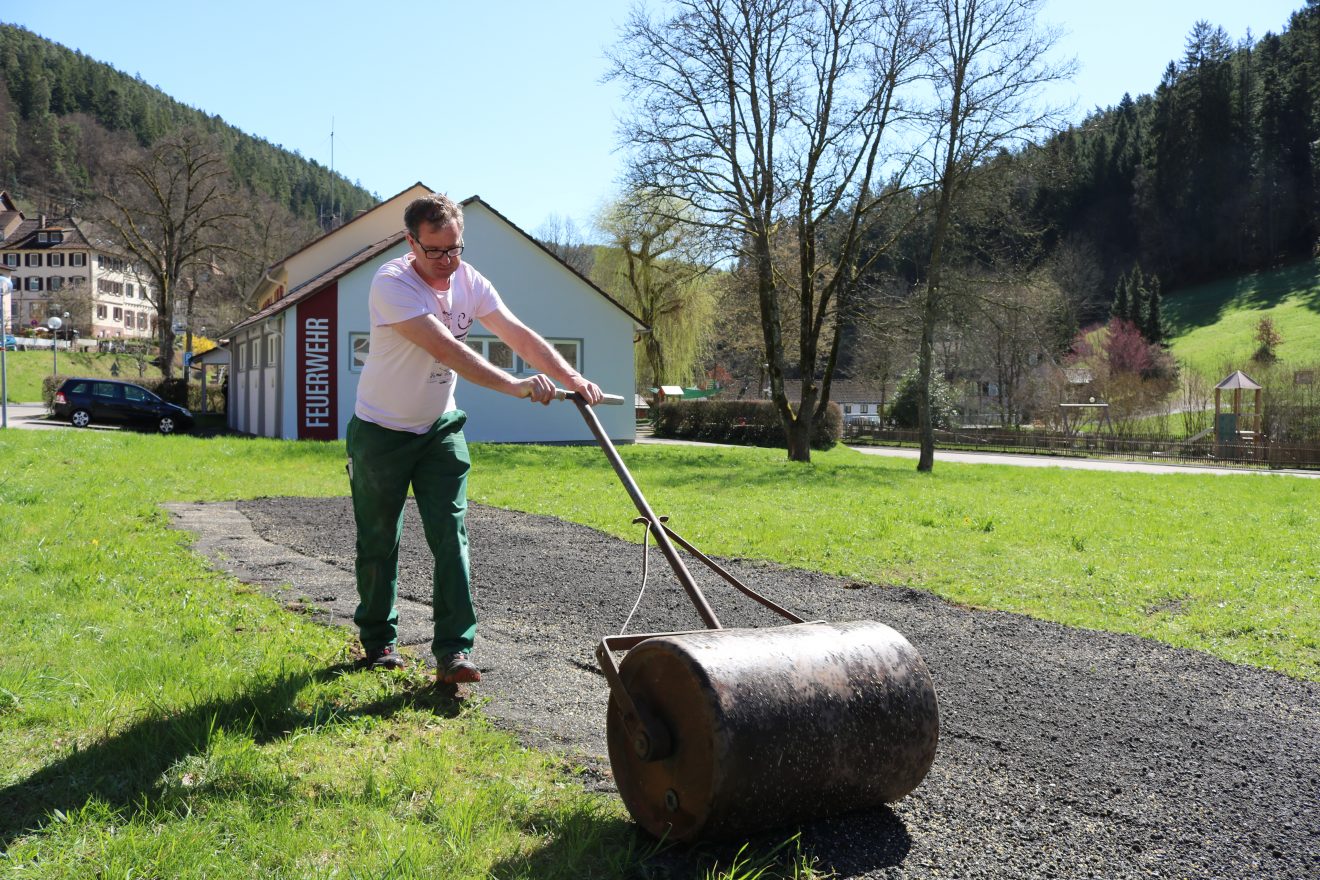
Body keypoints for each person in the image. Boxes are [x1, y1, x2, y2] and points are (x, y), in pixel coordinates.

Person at [348, 194, 603, 684]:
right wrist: (513, 385)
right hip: (381, 431)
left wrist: (570, 376)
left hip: (439, 429)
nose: (447, 262)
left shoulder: (469, 280)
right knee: (380, 540)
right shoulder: (392, 283)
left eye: (455, 249)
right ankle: (379, 640)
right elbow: (445, 348)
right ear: (411, 243)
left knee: (452, 535)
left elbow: (517, 334)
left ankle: (454, 653)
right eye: (435, 251)